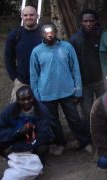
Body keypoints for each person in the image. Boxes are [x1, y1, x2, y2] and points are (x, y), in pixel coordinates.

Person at [30, 23, 92, 156]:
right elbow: (34, 75)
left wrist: (78, 90)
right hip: (46, 93)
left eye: (51, 31)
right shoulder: (37, 51)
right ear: (41, 34)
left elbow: (75, 69)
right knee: (53, 121)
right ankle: (60, 143)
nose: (49, 34)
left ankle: (84, 142)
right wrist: (37, 96)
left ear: (56, 31)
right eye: (46, 32)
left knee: (74, 118)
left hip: (67, 91)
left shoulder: (67, 47)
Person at [0, 86, 53, 163]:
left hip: (34, 139)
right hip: (16, 136)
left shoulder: (42, 110)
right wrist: (18, 131)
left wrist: (18, 147)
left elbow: (44, 135)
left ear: (34, 97)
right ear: (17, 100)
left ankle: (37, 164)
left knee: (43, 148)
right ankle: (12, 161)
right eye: (22, 100)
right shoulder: (9, 110)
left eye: (29, 98)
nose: (26, 102)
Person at [70, 9, 103, 133]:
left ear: (96, 22)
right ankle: (90, 135)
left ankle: (104, 132)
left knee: (104, 108)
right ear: (81, 22)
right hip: (84, 83)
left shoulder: (102, 36)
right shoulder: (75, 39)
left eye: (91, 21)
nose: (88, 23)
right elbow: (72, 63)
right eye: (85, 21)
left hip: (101, 80)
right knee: (87, 111)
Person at [4, 6, 42, 102]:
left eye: (32, 15)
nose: (28, 17)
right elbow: (8, 58)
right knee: (17, 112)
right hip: (22, 81)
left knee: (43, 112)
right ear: (22, 17)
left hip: (42, 82)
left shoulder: (44, 34)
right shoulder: (15, 35)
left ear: (37, 16)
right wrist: (14, 78)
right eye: (25, 15)